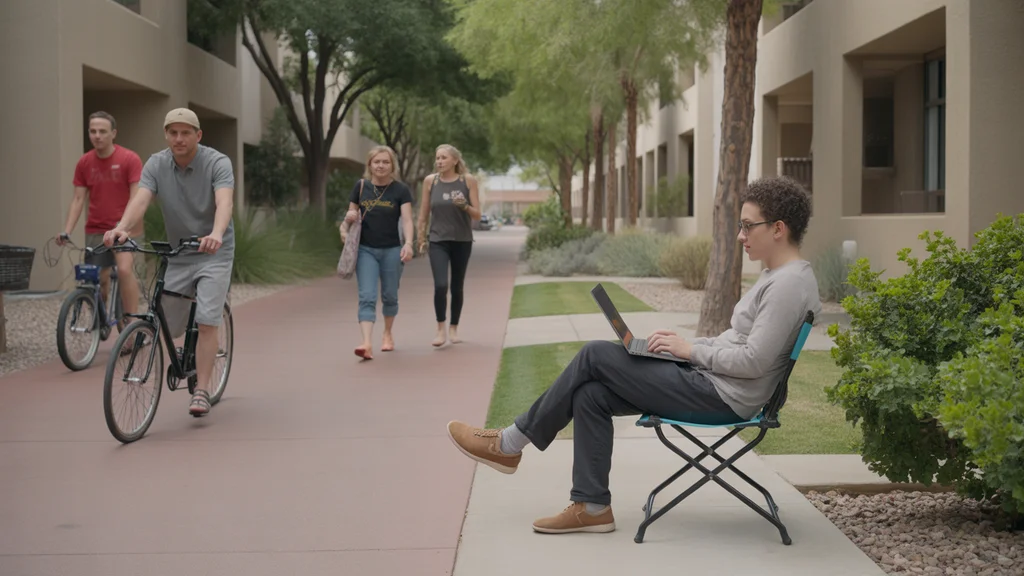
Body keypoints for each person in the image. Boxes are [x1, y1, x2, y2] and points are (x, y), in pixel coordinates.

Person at [446, 176, 822, 534]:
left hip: (722, 396)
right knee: (590, 395)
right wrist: (686, 347)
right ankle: (592, 508)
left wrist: (689, 351)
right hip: (712, 383)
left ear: (778, 228)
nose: (740, 236)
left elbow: (754, 360)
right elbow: (737, 341)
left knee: (594, 354)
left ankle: (509, 444)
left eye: (747, 226)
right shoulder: (778, 276)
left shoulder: (787, 285)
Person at [104, 107, 235, 417]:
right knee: (169, 322)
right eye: (173, 132)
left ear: (198, 135)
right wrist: (122, 227)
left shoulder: (217, 162)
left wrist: (216, 233)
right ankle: (192, 343)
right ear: (166, 135)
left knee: (206, 320)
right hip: (178, 252)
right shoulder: (157, 163)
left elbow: (224, 201)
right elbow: (141, 199)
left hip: (213, 251)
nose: (179, 138)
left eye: (185, 132)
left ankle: (201, 389)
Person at [58, 111, 145, 326]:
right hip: (96, 229)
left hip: (125, 230)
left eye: (102, 131)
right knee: (99, 282)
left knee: (124, 270)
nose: (97, 136)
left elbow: (137, 197)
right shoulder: (85, 162)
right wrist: (67, 231)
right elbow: (78, 199)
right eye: (93, 131)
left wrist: (126, 226)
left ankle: (131, 325)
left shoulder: (129, 159)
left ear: (113, 133)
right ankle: (101, 321)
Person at [340, 145, 414, 360]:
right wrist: (348, 219)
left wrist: (408, 243)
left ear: (392, 166)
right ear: (370, 165)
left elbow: (407, 220)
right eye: (377, 162)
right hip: (365, 250)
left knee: (390, 295)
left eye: (385, 162)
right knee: (367, 296)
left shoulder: (401, 190)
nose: (381, 165)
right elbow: (350, 216)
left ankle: (388, 334)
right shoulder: (361, 187)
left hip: (392, 249)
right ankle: (366, 343)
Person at [416, 144, 481, 347]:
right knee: (441, 285)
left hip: (462, 240)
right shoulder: (430, 181)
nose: (439, 161)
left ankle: (454, 328)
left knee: (456, 286)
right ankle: (440, 329)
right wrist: (420, 238)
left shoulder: (467, 181)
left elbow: (477, 215)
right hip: (437, 240)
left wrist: (464, 206)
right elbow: (424, 213)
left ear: (455, 160)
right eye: (437, 158)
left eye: (444, 158)